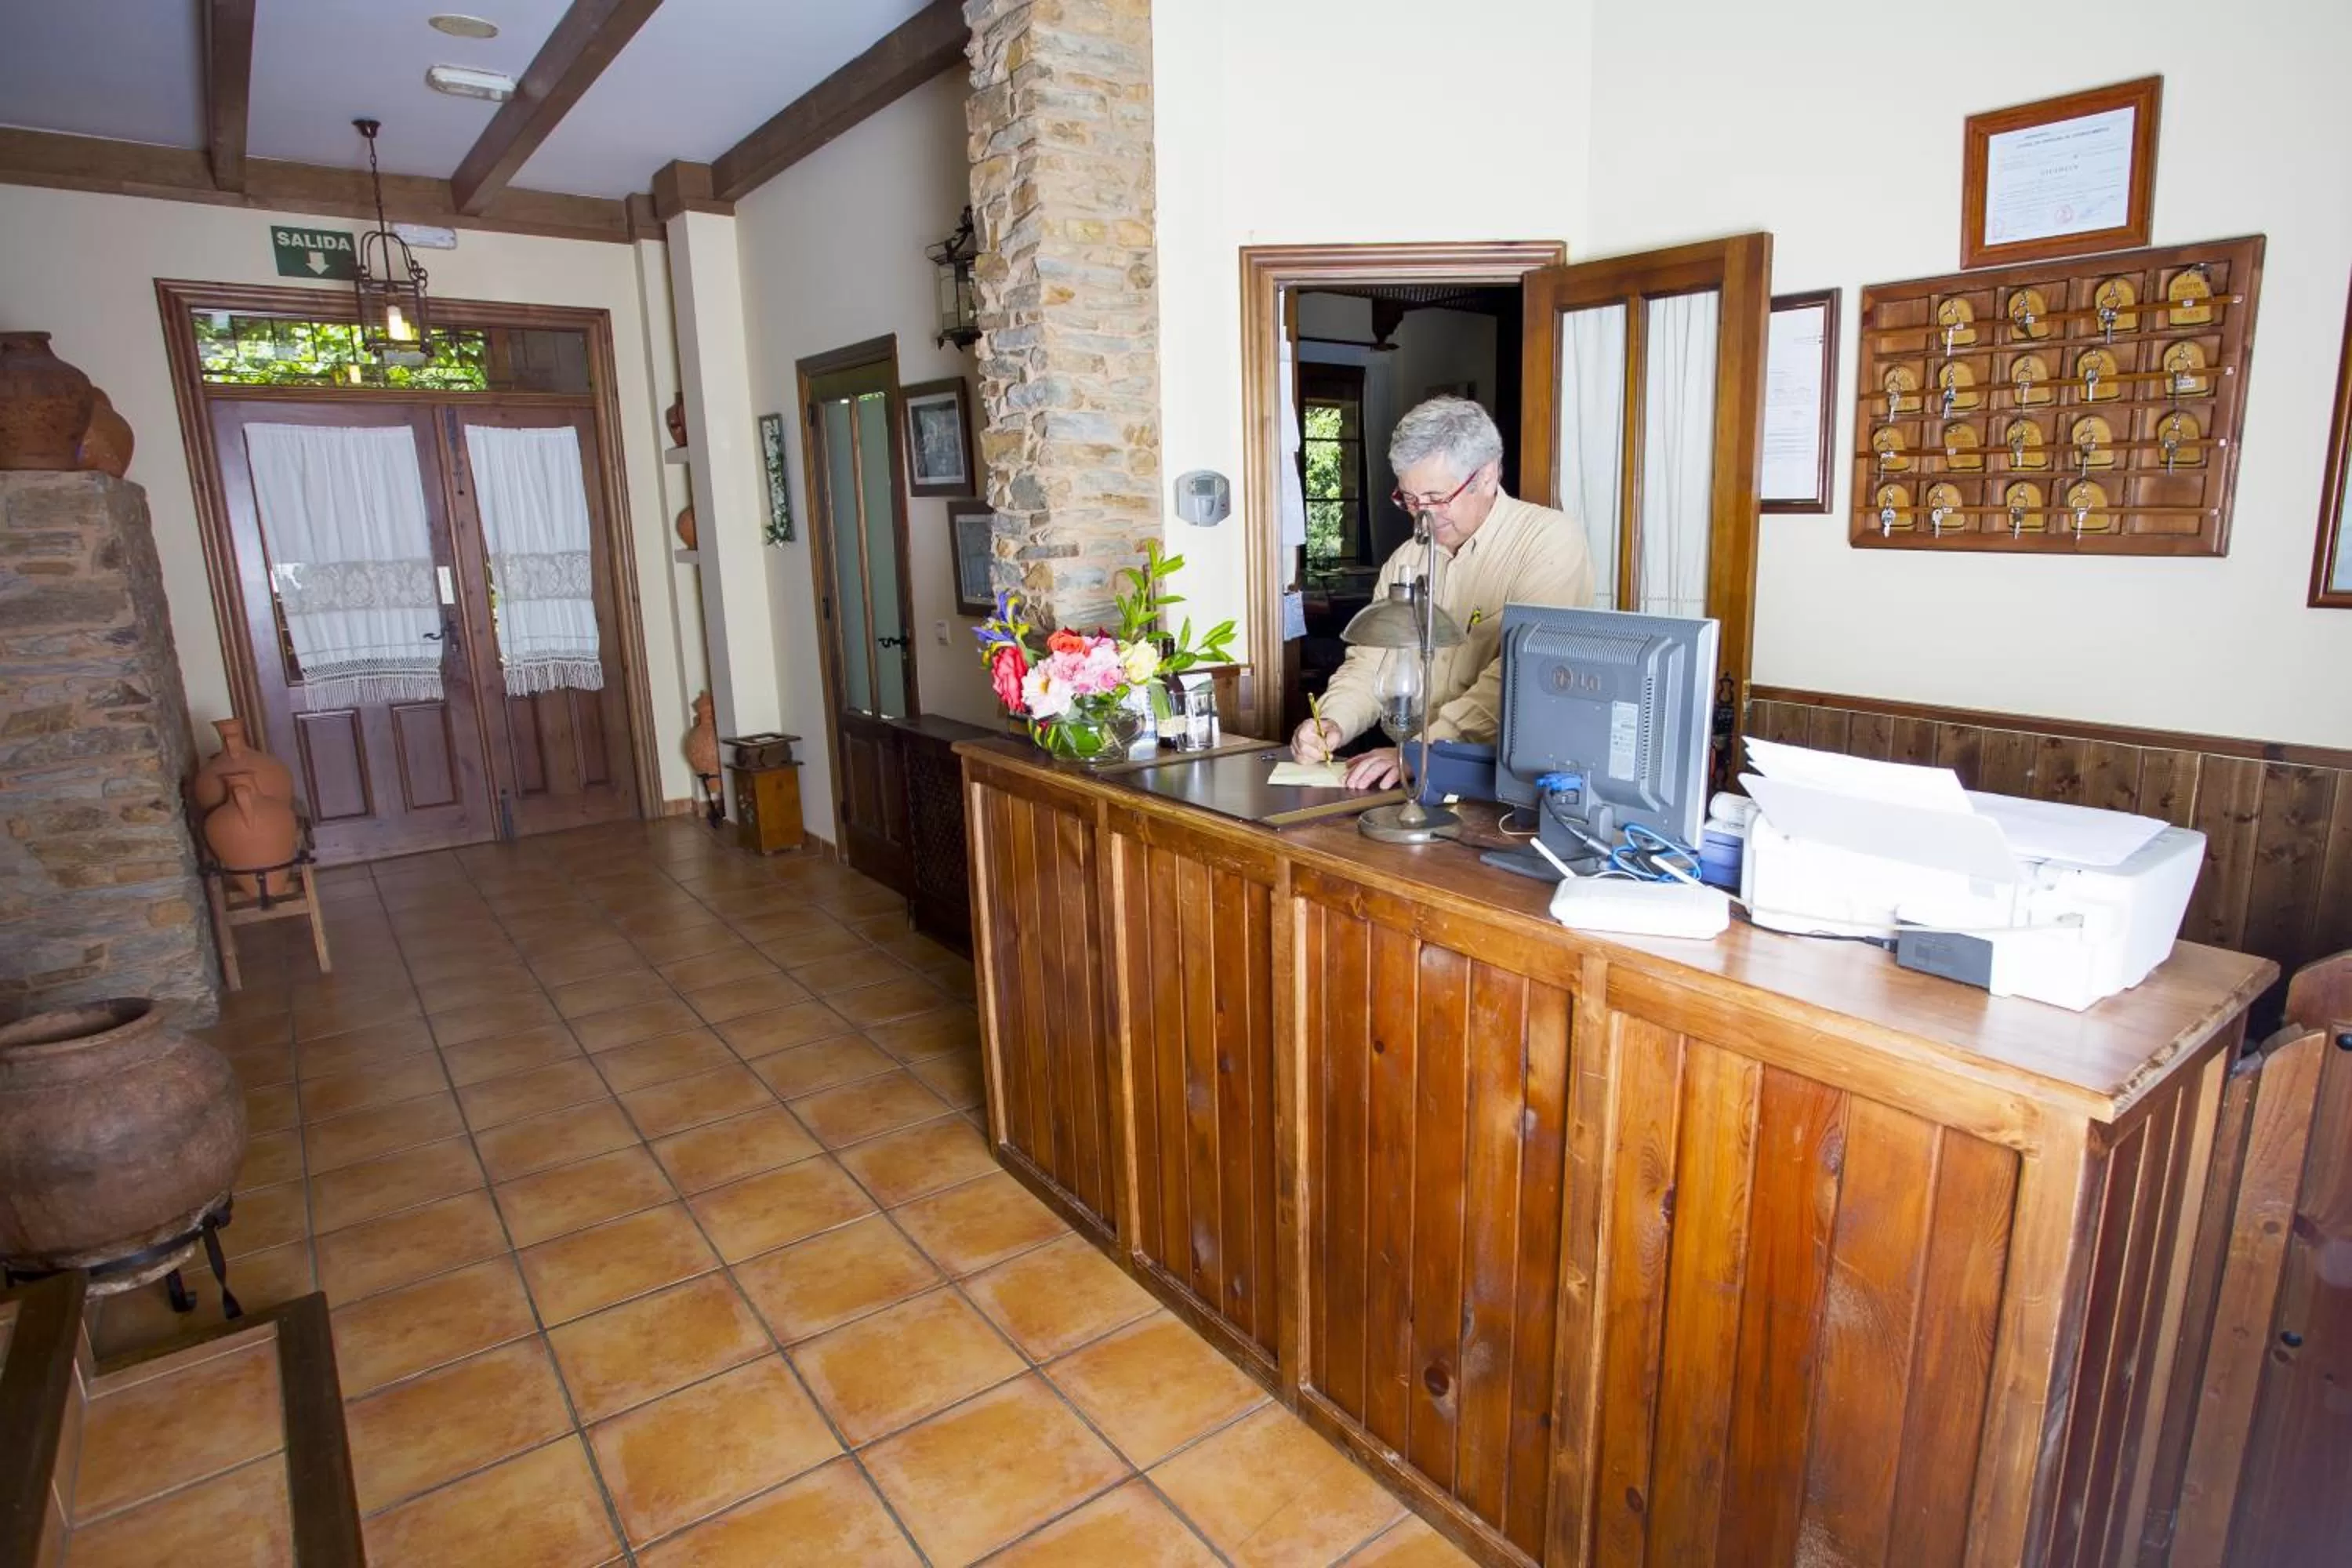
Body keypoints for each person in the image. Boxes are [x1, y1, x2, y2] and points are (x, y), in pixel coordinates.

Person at [1293, 397, 1594, 789]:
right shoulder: (1407, 558)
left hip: (1510, 778)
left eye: (1436, 499)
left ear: (1487, 475)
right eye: (1410, 500)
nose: (1423, 516)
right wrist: (1332, 722)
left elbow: (1515, 681)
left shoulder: (1548, 541)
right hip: (1415, 768)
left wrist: (1421, 751)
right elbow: (1371, 663)